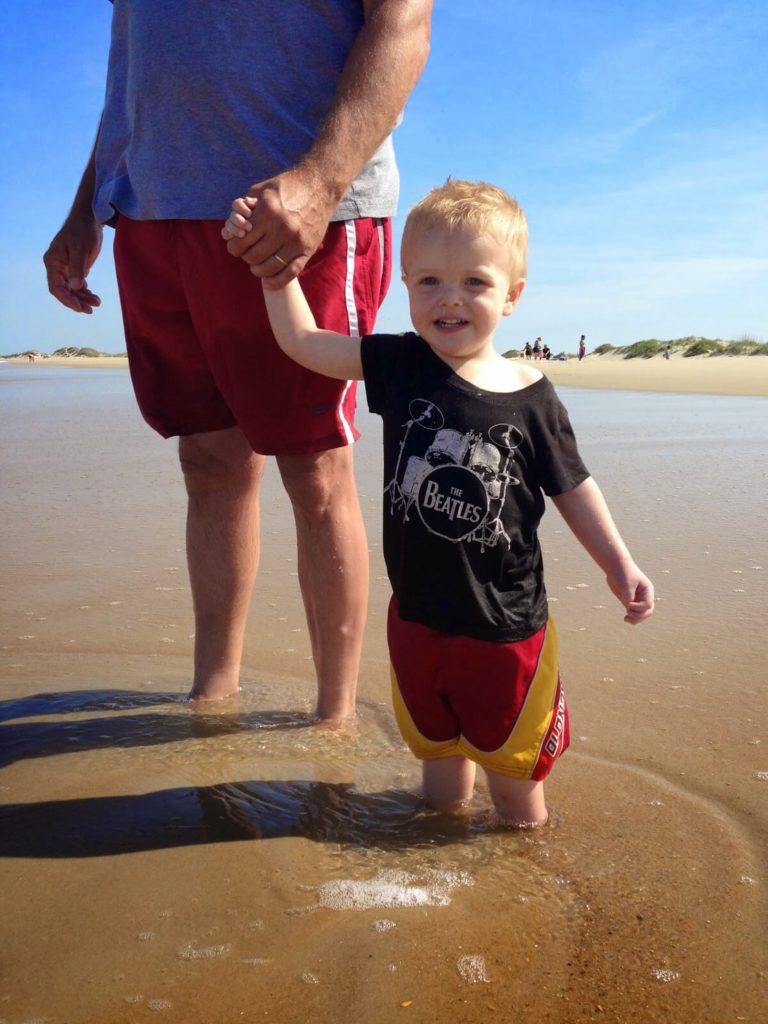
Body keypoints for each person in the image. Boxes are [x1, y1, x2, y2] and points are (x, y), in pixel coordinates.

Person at [43, 1, 433, 723]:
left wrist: (319, 182)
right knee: (209, 460)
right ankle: (213, 691)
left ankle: (333, 717)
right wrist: (83, 210)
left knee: (314, 467)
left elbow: (404, 21)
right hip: (154, 210)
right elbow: (129, 77)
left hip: (296, 210)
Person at [229, 179, 655, 826]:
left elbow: (574, 487)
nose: (449, 297)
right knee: (438, 781)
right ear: (404, 284)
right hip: (419, 622)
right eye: (428, 281)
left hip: (506, 633)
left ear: (512, 296)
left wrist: (618, 566)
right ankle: (440, 886)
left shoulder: (532, 395)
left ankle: (522, 892)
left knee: (517, 793)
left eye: (475, 282)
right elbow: (302, 342)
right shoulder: (401, 365)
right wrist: (275, 271)